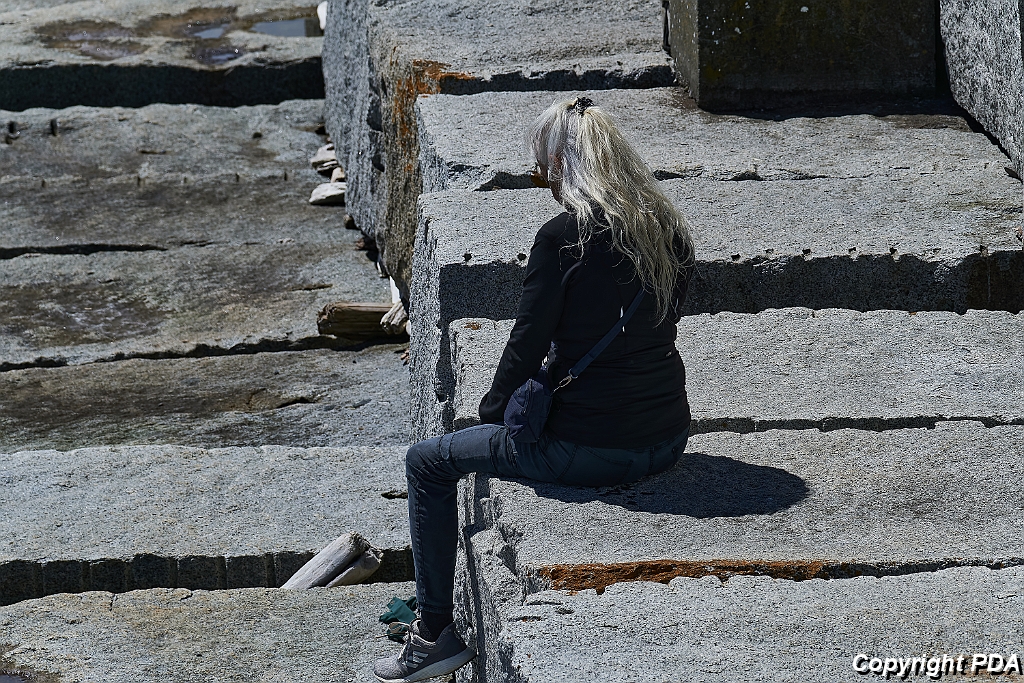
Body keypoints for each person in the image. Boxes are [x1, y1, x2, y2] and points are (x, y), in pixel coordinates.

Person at [373, 96, 695, 683]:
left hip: (589, 450)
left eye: (542, 167)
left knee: (427, 462)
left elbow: (526, 344)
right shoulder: (666, 228)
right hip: (667, 438)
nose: (540, 178)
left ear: (562, 165)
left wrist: (490, 414)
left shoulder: (562, 238)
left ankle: (433, 635)